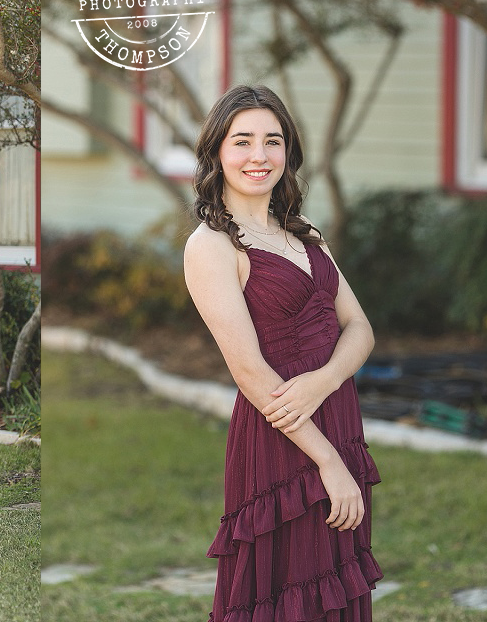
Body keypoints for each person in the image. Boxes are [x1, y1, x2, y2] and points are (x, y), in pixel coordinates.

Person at [183, 84, 382, 622]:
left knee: (335, 584)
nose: (258, 156)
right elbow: (249, 371)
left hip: (334, 413)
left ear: (288, 152)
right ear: (217, 152)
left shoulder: (305, 232)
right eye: (242, 141)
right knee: (286, 591)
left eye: (272, 141)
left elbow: (360, 328)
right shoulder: (210, 247)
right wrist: (328, 463)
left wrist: (321, 383)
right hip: (281, 436)